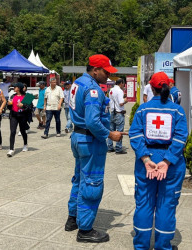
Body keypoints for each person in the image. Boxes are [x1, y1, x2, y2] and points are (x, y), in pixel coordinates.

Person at [65, 54, 127, 243]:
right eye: (106, 71)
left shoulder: (78, 83)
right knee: (92, 183)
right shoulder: (93, 89)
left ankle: (73, 218)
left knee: (79, 178)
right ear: (95, 70)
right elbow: (93, 121)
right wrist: (110, 134)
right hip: (90, 140)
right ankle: (85, 230)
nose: (108, 75)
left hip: (78, 137)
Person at [129, 71, 188, 250]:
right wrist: (168, 161)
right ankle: (163, 246)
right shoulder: (177, 110)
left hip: (146, 162)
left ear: (152, 88)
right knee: (166, 204)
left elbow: (135, 134)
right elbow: (180, 138)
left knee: (144, 203)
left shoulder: (143, 108)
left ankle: (141, 246)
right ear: (168, 86)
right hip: (171, 165)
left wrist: (146, 159)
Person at [6, 83, 30, 157]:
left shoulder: (27, 96)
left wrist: (23, 105)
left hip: (22, 116)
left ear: (19, 88)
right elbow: (9, 107)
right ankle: (11, 149)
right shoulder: (13, 96)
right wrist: (9, 104)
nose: (14, 88)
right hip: (14, 115)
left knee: (23, 131)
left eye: (15, 87)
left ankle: (25, 144)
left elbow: (30, 107)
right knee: (12, 131)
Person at [107, 78, 128, 154]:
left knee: (111, 130)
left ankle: (109, 147)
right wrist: (125, 100)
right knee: (120, 131)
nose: (124, 85)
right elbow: (121, 103)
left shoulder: (111, 90)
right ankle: (118, 148)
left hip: (112, 112)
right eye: (123, 83)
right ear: (121, 83)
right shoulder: (119, 91)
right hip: (119, 113)